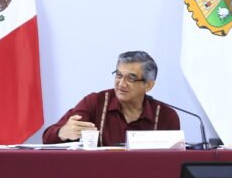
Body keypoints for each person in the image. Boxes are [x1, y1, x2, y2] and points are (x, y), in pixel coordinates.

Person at [42, 51, 180, 147]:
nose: (121, 84)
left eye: (130, 78)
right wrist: (63, 132)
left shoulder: (165, 116)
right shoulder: (94, 103)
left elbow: (173, 162)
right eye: (119, 75)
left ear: (148, 85)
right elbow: (47, 138)